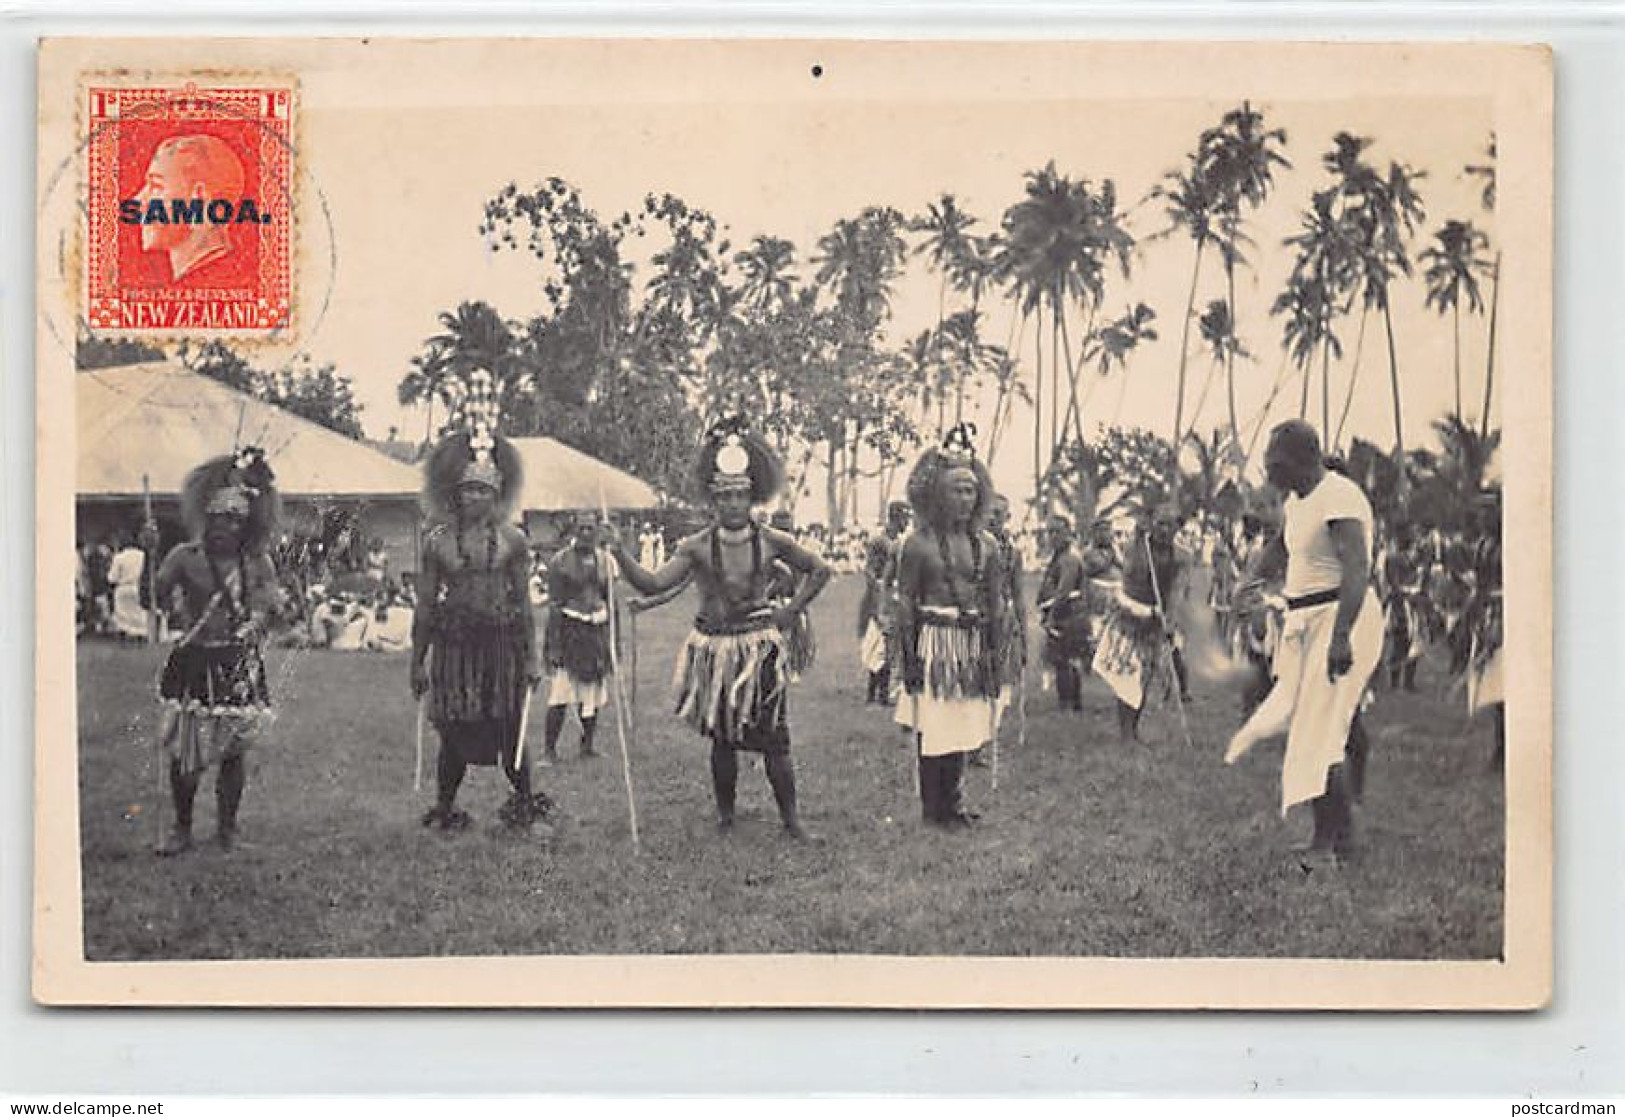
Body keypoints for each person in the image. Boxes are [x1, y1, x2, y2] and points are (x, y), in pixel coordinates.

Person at [610, 417, 831, 839]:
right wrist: (620, 553)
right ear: (714, 500)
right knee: (723, 737)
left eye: (740, 495)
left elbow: (819, 569)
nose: (732, 503)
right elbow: (654, 583)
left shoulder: (771, 540)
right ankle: (726, 817)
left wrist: (791, 611)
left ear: (752, 496)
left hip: (758, 650)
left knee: (775, 738)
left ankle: (792, 821)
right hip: (714, 651)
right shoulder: (694, 547)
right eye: (725, 496)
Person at [1224, 420, 1383, 866]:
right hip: (1307, 621)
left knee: (1319, 732)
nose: (1270, 471)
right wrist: (1248, 581)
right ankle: (1336, 832)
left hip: (1340, 618)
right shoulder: (1299, 501)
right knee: (1320, 727)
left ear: (1301, 458)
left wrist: (1340, 637)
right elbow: (1280, 546)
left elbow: (1357, 569)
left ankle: (1331, 843)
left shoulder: (1340, 496)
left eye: (1275, 463)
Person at [411, 374, 547, 834]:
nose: (476, 497)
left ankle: (524, 806)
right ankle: (445, 808)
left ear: (497, 494)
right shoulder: (437, 542)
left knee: (511, 727)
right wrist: (417, 661)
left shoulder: (513, 541)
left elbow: (525, 604)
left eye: (485, 490)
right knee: (453, 731)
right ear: (455, 493)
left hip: (502, 646)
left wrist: (530, 658)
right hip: (454, 649)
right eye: (469, 489)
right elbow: (426, 606)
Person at [150, 447, 287, 855]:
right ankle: (182, 829)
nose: (225, 526)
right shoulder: (183, 558)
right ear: (205, 519)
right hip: (194, 657)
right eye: (218, 518)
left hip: (235, 661)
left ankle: (228, 830)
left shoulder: (257, 563)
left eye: (234, 519)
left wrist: (255, 623)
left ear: (246, 524)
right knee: (186, 751)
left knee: (233, 750)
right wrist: (150, 553)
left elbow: (268, 606)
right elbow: (152, 596)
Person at [893, 424, 1005, 828]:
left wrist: (995, 654)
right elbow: (905, 599)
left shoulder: (988, 546)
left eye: (970, 490)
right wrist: (907, 654)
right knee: (935, 722)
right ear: (936, 493)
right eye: (955, 489)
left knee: (962, 722)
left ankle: (953, 803)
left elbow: (995, 603)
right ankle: (932, 809)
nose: (963, 498)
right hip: (933, 643)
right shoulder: (918, 543)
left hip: (971, 643)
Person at [1091, 507, 1185, 743]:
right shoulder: (1137, 546)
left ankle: (1133, 727)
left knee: (1144, 677)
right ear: (1152, 524)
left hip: (1156, 620)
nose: (1163, 530)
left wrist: (1169, 620)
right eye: (1159, 524)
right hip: (1129, 615)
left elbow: (1177, 590)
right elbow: (1133, 572)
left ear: (1176, 529)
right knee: (1127, 674)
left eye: (1169, 525)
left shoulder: (1182, 557)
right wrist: (1142, 543)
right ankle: (1126, 732)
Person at [541, 512, 616, 765]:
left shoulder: (606, 561)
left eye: (591, 528)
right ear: (574, 529)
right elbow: (554, 606)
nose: (586, 533)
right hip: (570, 631)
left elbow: (610, 601)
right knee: (560, 694)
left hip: (596, 631)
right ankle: (549, 751)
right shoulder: (559, 562)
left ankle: (587, 747)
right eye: (582, 528)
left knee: (592, 692)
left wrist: (614, 641)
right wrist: (553, 647)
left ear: (597, 530)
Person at [858, 501, 910, 705]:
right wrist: (878, 591)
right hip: (879, 596)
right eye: (905, 518)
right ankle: (876, 693)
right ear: (896, 517)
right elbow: (869, 570)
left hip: (892, 596)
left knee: (889, 644)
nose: (907, 522)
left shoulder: (898, 541)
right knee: (880, 643)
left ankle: (879, 693)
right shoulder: (879, 540)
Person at [1037, 514, 1089, 712]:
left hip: (1068, 614)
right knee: (1063, 660)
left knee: (1064, 660)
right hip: (1063, 611)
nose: (1052, 536)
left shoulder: (1070, 558)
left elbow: (1063, 591)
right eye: (1049, 532)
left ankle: (1069, 704)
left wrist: (1051, 618)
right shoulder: (1059, 556)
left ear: (1068, 532)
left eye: (1056, 531)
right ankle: (1071, 704)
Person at [108, 532, 150, 641]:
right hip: (137, 586)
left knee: (122, 615)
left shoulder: (119, 557)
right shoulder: (142, 555)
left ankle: (125, 636)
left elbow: (112, 577)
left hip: (123, 588)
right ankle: (141, 634)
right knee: (139, 612)